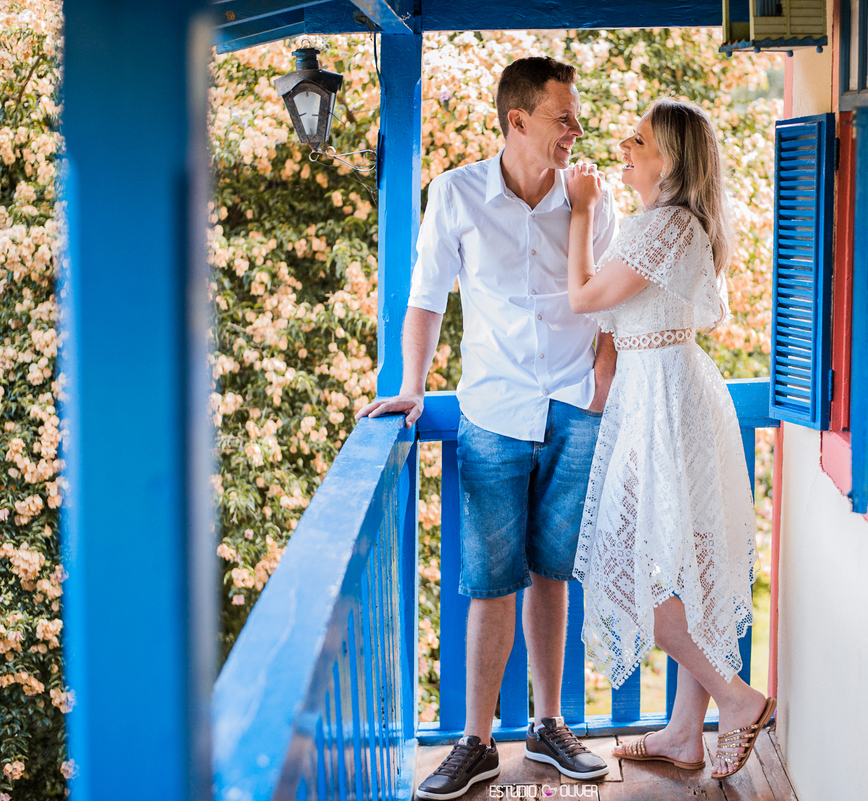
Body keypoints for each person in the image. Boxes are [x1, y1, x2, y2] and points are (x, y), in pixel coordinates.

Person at [356, 56, 618, 800]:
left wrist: (600, 387)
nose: (576, 129)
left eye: (576, 116)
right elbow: (427, 296)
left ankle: (548, 722)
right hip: (494, 411)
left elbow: (610, 300)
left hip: (575, 409)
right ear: (518, 120)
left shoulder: (589, 196)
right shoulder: (457, 193)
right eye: (563, 117)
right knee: (490, 578)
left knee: (552, 569)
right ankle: (476, 740)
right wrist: (410, 387)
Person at [564, 98, 776, 779]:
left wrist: (579, 210)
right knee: (680, 564)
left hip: (665, 401)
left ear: (670, 160)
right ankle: (687, 731)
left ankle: (737, 700)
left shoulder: (666, 225)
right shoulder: (668, 224)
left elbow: (584, 298)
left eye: (640, 139)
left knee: (641, 574)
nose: (625, 145)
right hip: (662, 393)